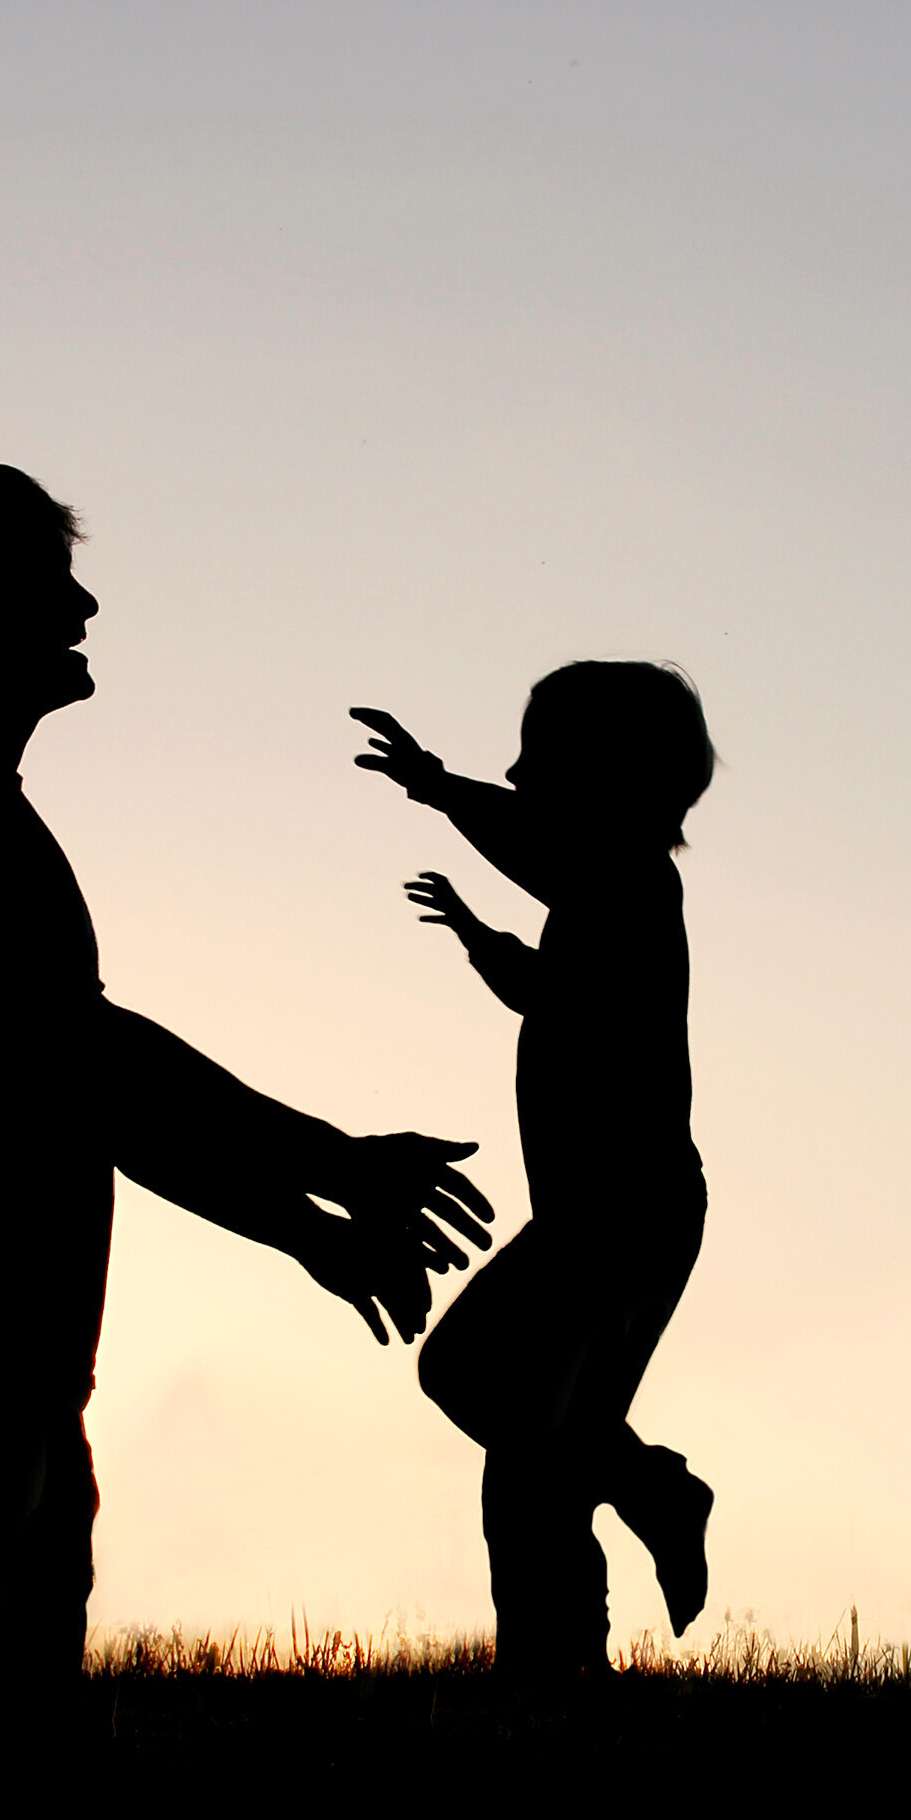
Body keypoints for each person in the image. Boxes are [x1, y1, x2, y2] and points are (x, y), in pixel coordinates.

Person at [0, 464, 491, 1722]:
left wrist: (309, 1221)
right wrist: (327, 1171)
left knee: (11, 1702)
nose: (87, 606)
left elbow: (82, 1089)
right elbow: (82, 1062)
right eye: (52, 582)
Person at [352, 664, 717, 1676]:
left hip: (617, 1211)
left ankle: (646, 1497)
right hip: (631, 1210)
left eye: (536, 758)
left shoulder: (633, 879)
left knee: (472, 1381)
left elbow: (547, 856)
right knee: (538, 1451)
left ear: (610, 778)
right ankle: (560, 1668)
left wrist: (435, 785)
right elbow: (546, 989)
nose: (512, 772)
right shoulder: (610, 900)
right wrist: (476, 938)